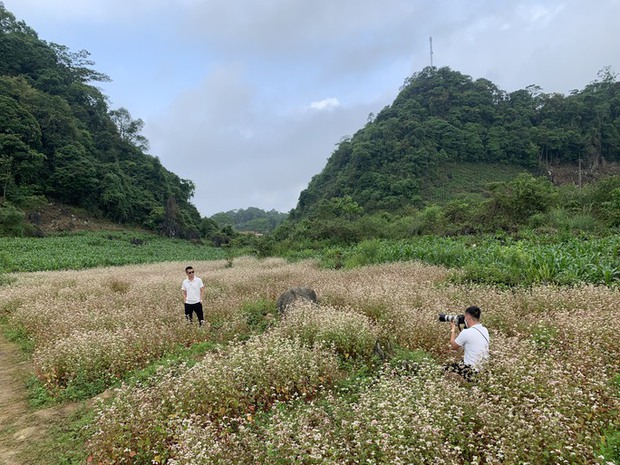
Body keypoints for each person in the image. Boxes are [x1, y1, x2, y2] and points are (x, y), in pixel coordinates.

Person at [446, 305, 490, 381]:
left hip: (471, 371)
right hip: (483, 370)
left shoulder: (466, 332)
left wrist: (453, 329)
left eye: (465, 317)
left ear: (468, 317)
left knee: (445, 369)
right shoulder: (485, 330)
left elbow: (453, 346)